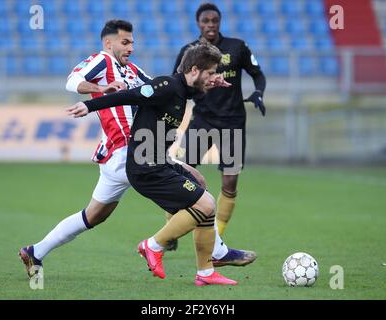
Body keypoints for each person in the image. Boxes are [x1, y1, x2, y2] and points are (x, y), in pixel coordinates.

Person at [18, 20, 254, 280]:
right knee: (197, 192)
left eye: (132, 42)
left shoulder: (131, 70)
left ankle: (35, 251)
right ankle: (211, 253)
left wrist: (207, 79)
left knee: (93, 216)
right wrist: (98, 91)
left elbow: (166, 88)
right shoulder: (102, 61)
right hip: (127, 150)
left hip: (128, 152)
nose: (131, 47)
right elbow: (73, 81)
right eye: (125, 42)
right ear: (109, 43)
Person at [66, 42, 240, 286]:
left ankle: (206, 273)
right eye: (210, 72)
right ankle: (153, 245)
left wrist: (212, 83)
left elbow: (192, 91)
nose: (213, 76)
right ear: (193, 70)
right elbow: (128, 95)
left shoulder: (183, 89)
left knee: (201, 188)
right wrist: (88, 105)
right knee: (207, 204)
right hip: (144, 167)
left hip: (159, 162)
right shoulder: (165, 85)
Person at [171, 3, 267, 238]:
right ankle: (170, 227)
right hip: (202, 121)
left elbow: (257, 74)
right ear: (198, 23)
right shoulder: (189, 51)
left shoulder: (237, 47)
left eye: (214, 20)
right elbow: (177, 84)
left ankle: (217, 236)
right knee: (180, 175)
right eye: (206, 21)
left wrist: (258, 92)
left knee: (230, 183)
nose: (210, 25)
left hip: (232, 123)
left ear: (219, 22)